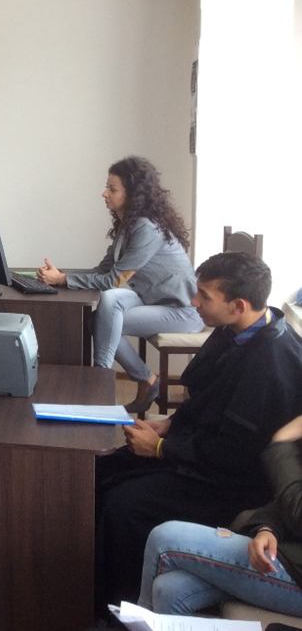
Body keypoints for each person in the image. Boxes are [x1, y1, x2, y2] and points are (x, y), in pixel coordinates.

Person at [94, 251, 302, 612]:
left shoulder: (271, 363)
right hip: (202, 451)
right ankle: (84, 578)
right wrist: (170, 425)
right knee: (101, 470)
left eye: (204, 296)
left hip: (232, 482)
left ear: (238, 305)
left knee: (124, 504)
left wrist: (161, 448)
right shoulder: (235, 330)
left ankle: (117, 607)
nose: (193, 302)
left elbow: (234, 455)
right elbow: (205, 396)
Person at [38, 156, 203, 413]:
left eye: (112, 189)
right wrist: (62, 276)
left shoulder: (147, 228)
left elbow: (113, 280)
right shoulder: (128, 225)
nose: (104, 193)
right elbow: (103, 271)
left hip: (182, 311)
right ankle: (145, 379)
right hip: (153, 300)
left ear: (133, 194)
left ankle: (99, 382)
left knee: (102, 320)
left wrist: (62, 280)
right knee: (109, 302)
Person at [139, 413, 302, 618]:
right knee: (169, 590)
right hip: (290, 552)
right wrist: (268, 528)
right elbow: (287, 499)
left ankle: (135, 622)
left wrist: (280, 443)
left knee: (164, 537)